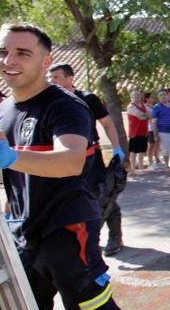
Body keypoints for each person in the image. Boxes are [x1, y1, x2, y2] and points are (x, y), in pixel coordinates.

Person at [0, 23, 146, 310]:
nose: (10, 60)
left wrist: (9, 155)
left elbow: (71, 159)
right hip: (24, 229)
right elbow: (17, 178)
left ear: (45, 59)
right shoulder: (5, 110)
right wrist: (8, 211)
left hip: (67, 226)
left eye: (23, 52)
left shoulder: (65, 106)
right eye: (4, 51)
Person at [48, 63, 127, 255]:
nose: (52, 81)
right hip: (63, 158)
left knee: (100, 194)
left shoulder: (87, 99)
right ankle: (82, 238)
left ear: (70, 78)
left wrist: (117, 147)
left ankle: (113, 236)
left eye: (56, 77)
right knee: (73, 197)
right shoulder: (52, 101)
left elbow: (107, 124)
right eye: (50, 78)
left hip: (90, 157)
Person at [126, 90, 151, 171]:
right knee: (133, 151)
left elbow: (151, 114)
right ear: (131, 97)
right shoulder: (130, 106)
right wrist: (145, 115)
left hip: (143, 131)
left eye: (138, 95)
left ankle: (141, 167)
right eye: (134, 95)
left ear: (140, 96)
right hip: (134, 132)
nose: (136, 96)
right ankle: (133, 168)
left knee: (142, 150)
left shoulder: (143, 105)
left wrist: (145, 115)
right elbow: (139, 115)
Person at [143, 92, 162, 168]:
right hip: (150, 128)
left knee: (157, 144)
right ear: (146, 98)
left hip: (157, 127)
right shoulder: (144, 107)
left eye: (153, 97)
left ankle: (157, 159)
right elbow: (148, 116)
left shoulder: (154, 106)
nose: (152, 98)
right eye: (151, 97)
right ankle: (150, 161)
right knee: (151, 145)